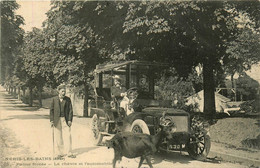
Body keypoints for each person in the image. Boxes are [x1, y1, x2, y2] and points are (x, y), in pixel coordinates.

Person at [50, 84, 75, 158]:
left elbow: (70, 110)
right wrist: (51, 120)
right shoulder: (54, 99)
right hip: (56, 120)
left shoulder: (68, 99)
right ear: (59, 91)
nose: (64, 93)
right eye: (62, 91)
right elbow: (51, 111)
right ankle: (60, 153)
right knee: (58, 136)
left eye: (65, 91)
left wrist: (70, 120)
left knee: (68, 135)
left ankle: (69, 152)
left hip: (65, 120)